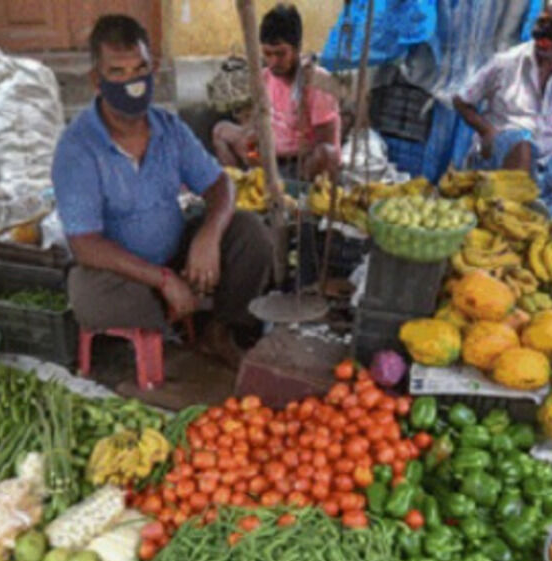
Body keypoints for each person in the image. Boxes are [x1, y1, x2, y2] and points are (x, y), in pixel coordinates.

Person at [53, 15, 273, 367]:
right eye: (118, 73)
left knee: (251, 233)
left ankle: (217, 329)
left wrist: (209, 236)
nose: (133, 82)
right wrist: (162, 279)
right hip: (123, 273)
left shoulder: (169, 128)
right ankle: (171, 336)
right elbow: (84, 244)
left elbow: (220, 183)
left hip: (176, 251)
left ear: (152, 69)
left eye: (139, 69)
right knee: (90, 296)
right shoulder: (77, 149)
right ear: (97, 80)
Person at [451, 1, 552, 216]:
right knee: (522, 141)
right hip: (503, 153)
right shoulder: (506, 62)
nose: (545, 30)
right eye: (541, 22)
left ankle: (550, 208)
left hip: (550, 156)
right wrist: (486, 131)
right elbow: (462, 100)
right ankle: (516, 210)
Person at [211, 4, 341, 181]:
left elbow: (326, 141)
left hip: (302, 166)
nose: (272, 62)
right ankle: (241, 188)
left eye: (280, 54)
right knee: (221, 131)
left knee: (327, 152)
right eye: (267, 53)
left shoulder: (317, 82)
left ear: (296, 48)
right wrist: (252, 146)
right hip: (268, 161)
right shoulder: (264, 78)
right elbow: (254, 126)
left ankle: (296, 192)